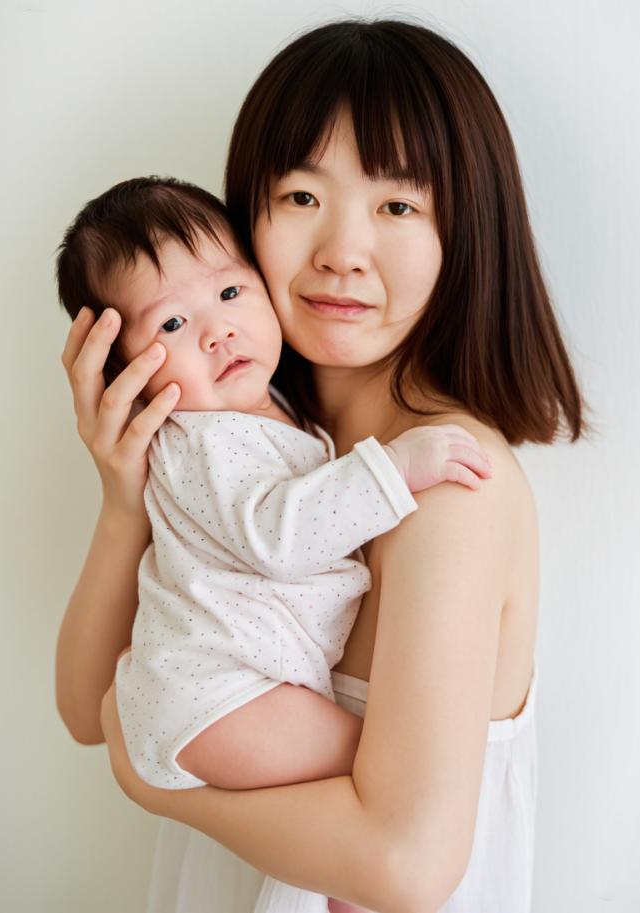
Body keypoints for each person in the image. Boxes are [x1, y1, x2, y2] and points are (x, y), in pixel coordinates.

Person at [56, 18, 587, 913]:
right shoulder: (249, 452)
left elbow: (406, 866)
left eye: (398, 206)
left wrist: (158, 780)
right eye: (302, 195)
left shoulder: (447, 486)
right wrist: (124, 503)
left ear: (465, 231)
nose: (342, 250)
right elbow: (85, 707)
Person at [55, 176, 490, 798]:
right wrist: (393, 469)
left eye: (231, 292)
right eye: (172, 323)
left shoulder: (268, 410)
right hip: (223, 698)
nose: (218, 332)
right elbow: (280, 536)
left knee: (381, 778)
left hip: (232, 693)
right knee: (388, 771)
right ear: (123, 372)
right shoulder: (203, 442)